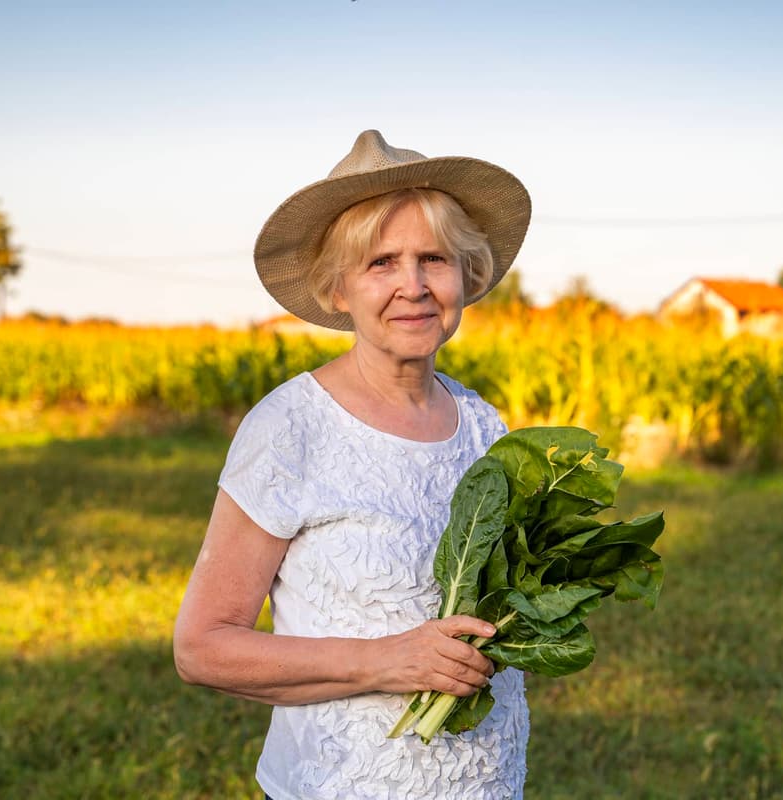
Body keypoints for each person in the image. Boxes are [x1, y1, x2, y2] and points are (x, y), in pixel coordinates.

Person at [173, 130, 533, 800]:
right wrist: (386, 660)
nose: (414, 286)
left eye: (435, 259)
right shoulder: (291, 428)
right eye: (381, 263)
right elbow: (202, 648)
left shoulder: (485, 426)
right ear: (338, 290)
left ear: (466, 275)